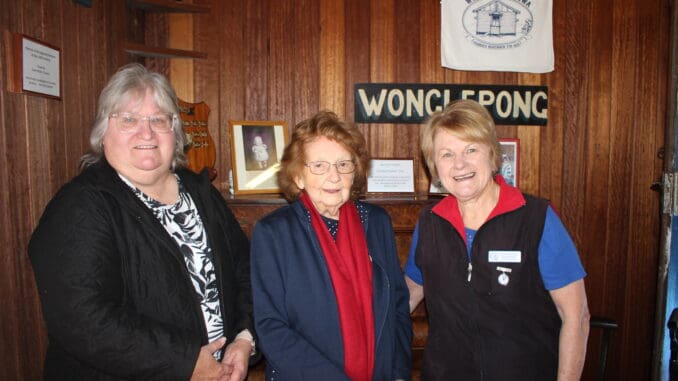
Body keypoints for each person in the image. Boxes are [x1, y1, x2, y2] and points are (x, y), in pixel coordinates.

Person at [29, 63, 256, 381]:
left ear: (174, 132)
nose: (146, 132)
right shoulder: (79, 207)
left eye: (158, 119)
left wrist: (244, 338)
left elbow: (245, 269)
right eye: (129, 119)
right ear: (103, 133)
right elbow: (82, 318)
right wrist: (186, 361)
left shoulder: (200, 191)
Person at [405, 99, 590, 380]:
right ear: (434, 166)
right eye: (446, 154)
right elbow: (407, 296)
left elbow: (576, 318)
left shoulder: (537, 219)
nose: (460, 164)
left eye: (471, 149)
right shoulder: (429, 223)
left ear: (492, 155)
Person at [250, 111, 412, 380]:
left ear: (355, 173)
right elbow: (271, 327)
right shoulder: (273, 233)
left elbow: (397, 306)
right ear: (298, 176)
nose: (334, 176)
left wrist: (397, 374)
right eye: (319, 166)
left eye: (343, 165)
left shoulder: (377, 222)